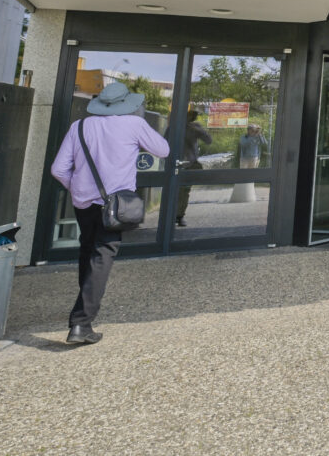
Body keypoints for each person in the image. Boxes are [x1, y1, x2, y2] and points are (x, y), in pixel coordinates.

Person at [50, 81, 170, 344]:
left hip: (83, 204)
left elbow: (58, 169)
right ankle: (81, 324)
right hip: (116, 204)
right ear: (126, 104)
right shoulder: (133, 125)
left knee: (88, 250)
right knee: (102, 255)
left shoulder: (79, 126)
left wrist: (79, 189)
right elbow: (163, 150)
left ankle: (84, 311)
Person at [174, 108, 212, 227]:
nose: (193, 118)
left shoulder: (194, 127)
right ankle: (174, 215)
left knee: (184, 191)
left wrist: (199, 130)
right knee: (175, 191)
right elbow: (165, 142)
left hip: (189, 163)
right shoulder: (175, 127)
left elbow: (208, 140)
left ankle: (179, 216)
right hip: (176, 162)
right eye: (192, 115)